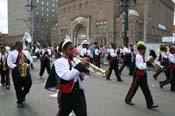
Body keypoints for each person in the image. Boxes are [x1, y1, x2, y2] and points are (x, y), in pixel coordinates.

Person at [55, 39, 89, 116]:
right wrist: (80, 65)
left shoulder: (75, 60)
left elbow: (81, 77)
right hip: (66, 94)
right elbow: (68, 76)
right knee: (63, 114)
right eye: (70, 49)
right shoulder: (59, 62)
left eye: (73, 48)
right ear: (64, 50)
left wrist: (85, 68)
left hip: (78, 93)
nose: (73, 51)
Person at [125, 45, 159, 109]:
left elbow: (144, 64)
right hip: (138, 75)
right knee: (134, 88)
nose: (144, 51)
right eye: (144, 50)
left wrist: (149, 61)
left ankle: (150, 104)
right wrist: (149, 62)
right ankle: (127, 99)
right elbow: (140, 67)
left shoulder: (142, 56)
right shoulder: (138, 57)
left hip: (143, 74)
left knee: (146, 90)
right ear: (140, 50)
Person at [7, 41, 32, 108]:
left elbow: (30, 60)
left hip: (25, 71)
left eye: (21, 45)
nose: (20, 47)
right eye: (19, 45)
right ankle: (19, 101)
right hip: (16, 73)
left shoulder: (26, 52)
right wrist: (17, 67)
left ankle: (22, 95)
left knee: (28, 84)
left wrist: (27, 64)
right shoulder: (11, 53)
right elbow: (9, 63)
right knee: (18, 88)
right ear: (16, 46)